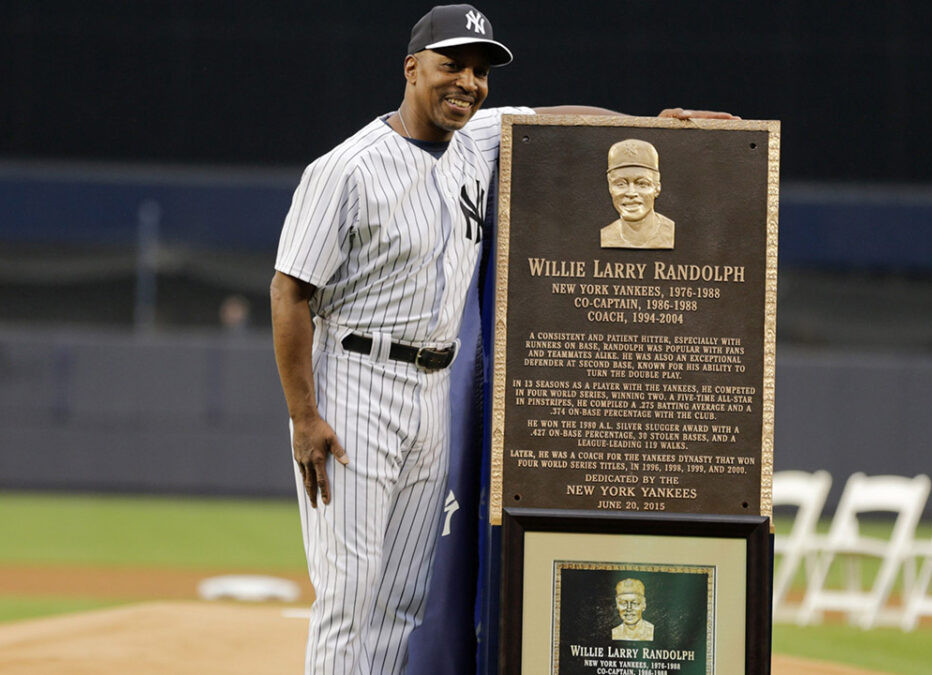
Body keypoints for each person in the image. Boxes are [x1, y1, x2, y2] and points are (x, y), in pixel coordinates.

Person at [270, 5, 734, 673]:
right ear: (412, 68)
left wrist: (655, 126)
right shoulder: (345, 169)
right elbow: (290, 291)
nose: (468, 81)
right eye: (452, 64)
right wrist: (303, 415)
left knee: (403, 596)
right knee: (351, 596)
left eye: (480, 71)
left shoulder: (480, 139)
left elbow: (557, 119)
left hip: (431, 390)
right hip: (354, 382)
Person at [600, 139, 675, 249]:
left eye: (642, 184)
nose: (631, 193)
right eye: (621, 184)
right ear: (610, 188)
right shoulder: (606, 235)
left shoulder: (672, 232)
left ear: (657, 188)